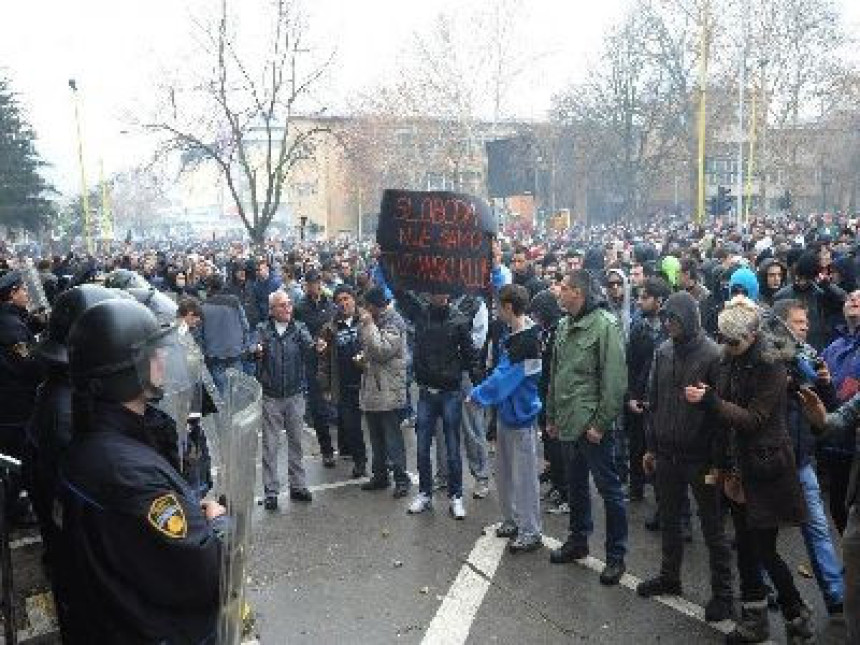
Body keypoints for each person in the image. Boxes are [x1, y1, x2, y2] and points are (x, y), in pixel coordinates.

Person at [55, 298, 225, 643]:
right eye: (151, 352)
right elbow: (204, 574)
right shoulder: (126, 470)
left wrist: (190, 511)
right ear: (125, 370)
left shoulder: (104, 443)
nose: (162, 358)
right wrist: (218, 523)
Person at [685, 296, 813, 644]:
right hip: (735, 468)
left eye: (734, 341)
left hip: (766, 468)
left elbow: (754, 419)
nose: (727, 347)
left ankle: (797, 614)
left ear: (752, 336)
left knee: (765, 550)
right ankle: (754, 620)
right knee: (744, 545)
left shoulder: (772, 365)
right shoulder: (728, 359)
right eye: (724, 340)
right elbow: (723, 414)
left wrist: (712, 401)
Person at [636, 291, 734, 623]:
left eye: (674, 318)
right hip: (666, 453)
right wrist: (650, 446)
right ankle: (670, 577)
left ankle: (723, 595)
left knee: (712, 528)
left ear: (690, 319)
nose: (668, 324)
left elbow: (721, 411)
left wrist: (720, 462)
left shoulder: (713, 355)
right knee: (670, 521)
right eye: (666, 318)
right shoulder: (663, 351)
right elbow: (653, 402)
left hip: (700, 457)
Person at [546, 269, 629, 586]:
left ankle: (616, 556)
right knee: (575, 484)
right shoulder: (565, 324)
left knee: (610, 490)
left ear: (578, 293)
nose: (559, 292)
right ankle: (578, 540)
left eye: (564, 288)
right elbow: (557, 375)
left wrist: (600, 424)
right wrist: (552, 416)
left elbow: (614, 381)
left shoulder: (606, 325)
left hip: (593, 427)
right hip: (568, 422)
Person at [772, 299, 845, 617]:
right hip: (772, 462)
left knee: (817, 530)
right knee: (764, 531)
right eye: (799, 323)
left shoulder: (812, 357)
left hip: (802, 461)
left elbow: (829, 409)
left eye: (806, 322)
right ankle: (764, 589)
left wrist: (825, 384)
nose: (806, 327)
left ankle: (835, 595)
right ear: (784, 325)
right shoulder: (767, 358)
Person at [469, 284, 543, 552]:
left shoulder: (528, 340)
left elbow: (506, 378)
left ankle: (530, 530)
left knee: (524, 478)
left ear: (508, 307)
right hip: (507, 415)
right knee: (505, 474)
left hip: (521, 417)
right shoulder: (514, 335)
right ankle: (513, 519)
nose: (495, 310)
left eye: (498, 305)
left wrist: (477, 394)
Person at [395, 288, 477, 519]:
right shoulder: (420, 314)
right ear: (429, 293)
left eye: (442, 292)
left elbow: (470, 355)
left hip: (450, 392)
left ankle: (456, 496)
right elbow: (400, 292)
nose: (439, 295)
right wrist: (386, 259)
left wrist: (479, 389)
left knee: (452, 449)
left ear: (448, 294)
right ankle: (425, 494)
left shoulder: (459, 319)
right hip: (427, 393)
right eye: (435, 292)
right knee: (422, 448)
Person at [256, 290, 314, 509]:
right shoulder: (263, 330)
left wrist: (317, 348)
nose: (288, 308)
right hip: (271, 396)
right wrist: (256, 352)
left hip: (295, 394)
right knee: (270, 446)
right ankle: (271, 491)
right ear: (272, 310)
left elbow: (309, 348)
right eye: (282, 305)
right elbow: (252, 351)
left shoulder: (299, 329)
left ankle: (298, 486)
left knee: (296, 442)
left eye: (289, 304)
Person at [358, 287, 412, 498]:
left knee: (392, 436)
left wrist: (369, 325)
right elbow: (370, 348)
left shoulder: (394, 322)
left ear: (374, 305)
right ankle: (380, 475)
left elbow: (381, 350)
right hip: (373, 386)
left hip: (388, 388)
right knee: (375, 435)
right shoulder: (376, 320)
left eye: (367, 306)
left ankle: (401, 479)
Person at [0, 270, 45, 522]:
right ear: (12, 294)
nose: (27, 294)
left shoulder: (11, 321)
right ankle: (11, 512)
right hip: (14, 410)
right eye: (23, 290)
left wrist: (33, 325)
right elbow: (30, 368)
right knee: (17, 463)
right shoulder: (11, 329)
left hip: (8, 406)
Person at [625, 277, 670, 502]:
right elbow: (631, 364)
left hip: (662, 399)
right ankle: (636, 488)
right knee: (636, 444)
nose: (640, 302)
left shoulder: (670, 329)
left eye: (645, 298)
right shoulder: (638, 327)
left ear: (659, 301)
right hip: (640, 396)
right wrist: (632, 396)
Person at [820, 288, 860, 534]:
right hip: (835, 440)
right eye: (850, 297)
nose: (853, 299)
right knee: (837, 506)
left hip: (856, 441)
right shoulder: (835, 345)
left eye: (859, 298)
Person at [318, 285, 367, 478]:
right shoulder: (329, 328)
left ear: (354, 300)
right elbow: (323, 359)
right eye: (339, 300)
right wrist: (325, 385)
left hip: (368, 382)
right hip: (345, 384)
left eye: (347, 298)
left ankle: (384, 464)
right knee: (352, 426)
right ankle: (360, 462)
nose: (344, 303)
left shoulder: (366, 320)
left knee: (376, 426)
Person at [294, 269, 337, 468]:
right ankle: (327, 449)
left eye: (317, 282)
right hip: (313, 363)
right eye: (311, 283)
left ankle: (345, 446)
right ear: (306, 285)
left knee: (338, 405)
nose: (315, 287)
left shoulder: (331, 304)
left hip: (334, 361)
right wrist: (311, 345)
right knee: (319, 407)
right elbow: (297, 333)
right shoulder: (300, 307)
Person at [200, 273, 251, 395]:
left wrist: (204, 351)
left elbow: (199, 333)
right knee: (237, 389)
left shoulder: (203, 306)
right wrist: (244, 345)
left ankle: (225, 412)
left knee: (220, 391)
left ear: (208, 287)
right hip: (235, 351)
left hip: (214, 354)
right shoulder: (234, 301)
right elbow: (245, 325)